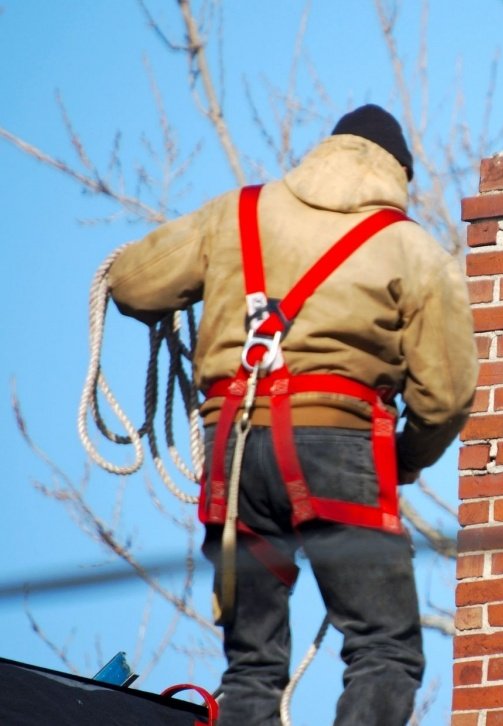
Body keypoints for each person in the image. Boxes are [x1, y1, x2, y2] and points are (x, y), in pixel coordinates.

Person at [107, 104, 479, 725]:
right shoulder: (412, 250)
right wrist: (405, 459)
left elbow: (130, 285)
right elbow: (445, 398)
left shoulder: (236, 213)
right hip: (337, 447)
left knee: (252, 663)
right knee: (384, 647)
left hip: (232, 450)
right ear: (398, 175)